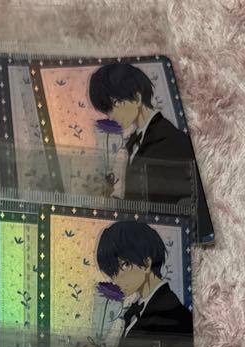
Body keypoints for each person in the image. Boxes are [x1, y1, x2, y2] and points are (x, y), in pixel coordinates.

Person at [87, 61, 211, 238]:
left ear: (137, 98)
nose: (111, 116)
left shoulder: (171, 141)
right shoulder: (133, 144)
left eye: (114, 104)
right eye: (106, 110)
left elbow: (167, 206)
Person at [92, 220, 194, 347]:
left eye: (124, 265)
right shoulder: (131, 313)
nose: (116, 278)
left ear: (147, 263)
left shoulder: (177, 318)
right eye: (112, 271)